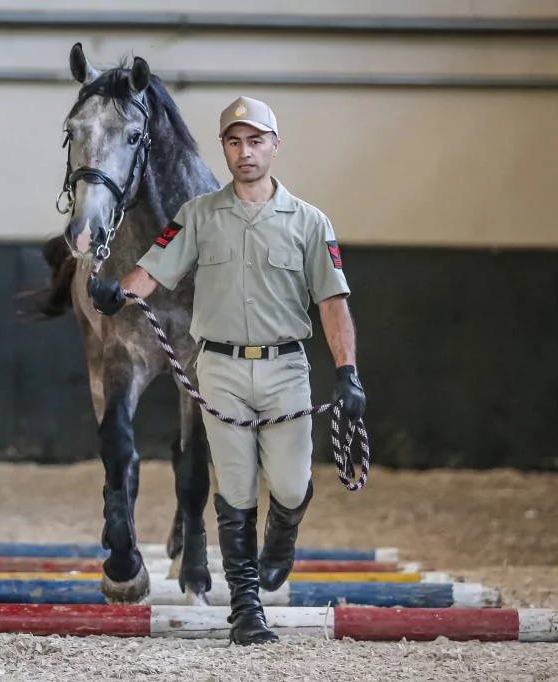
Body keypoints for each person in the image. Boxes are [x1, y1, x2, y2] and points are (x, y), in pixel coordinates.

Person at [86, 95, 366, 645]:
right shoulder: (198, 215)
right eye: (235, 143)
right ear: (225, 150)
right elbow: (152, 270)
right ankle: (245, 609)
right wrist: (115, 294)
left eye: (256, 141)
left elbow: (333, 302)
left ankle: (282, 537)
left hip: (286, 368)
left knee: (291, 485)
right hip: (219, 366)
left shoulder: (310, 222)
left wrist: (348, 373)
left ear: (274, 147)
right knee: (234, 491)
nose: (245, 152)